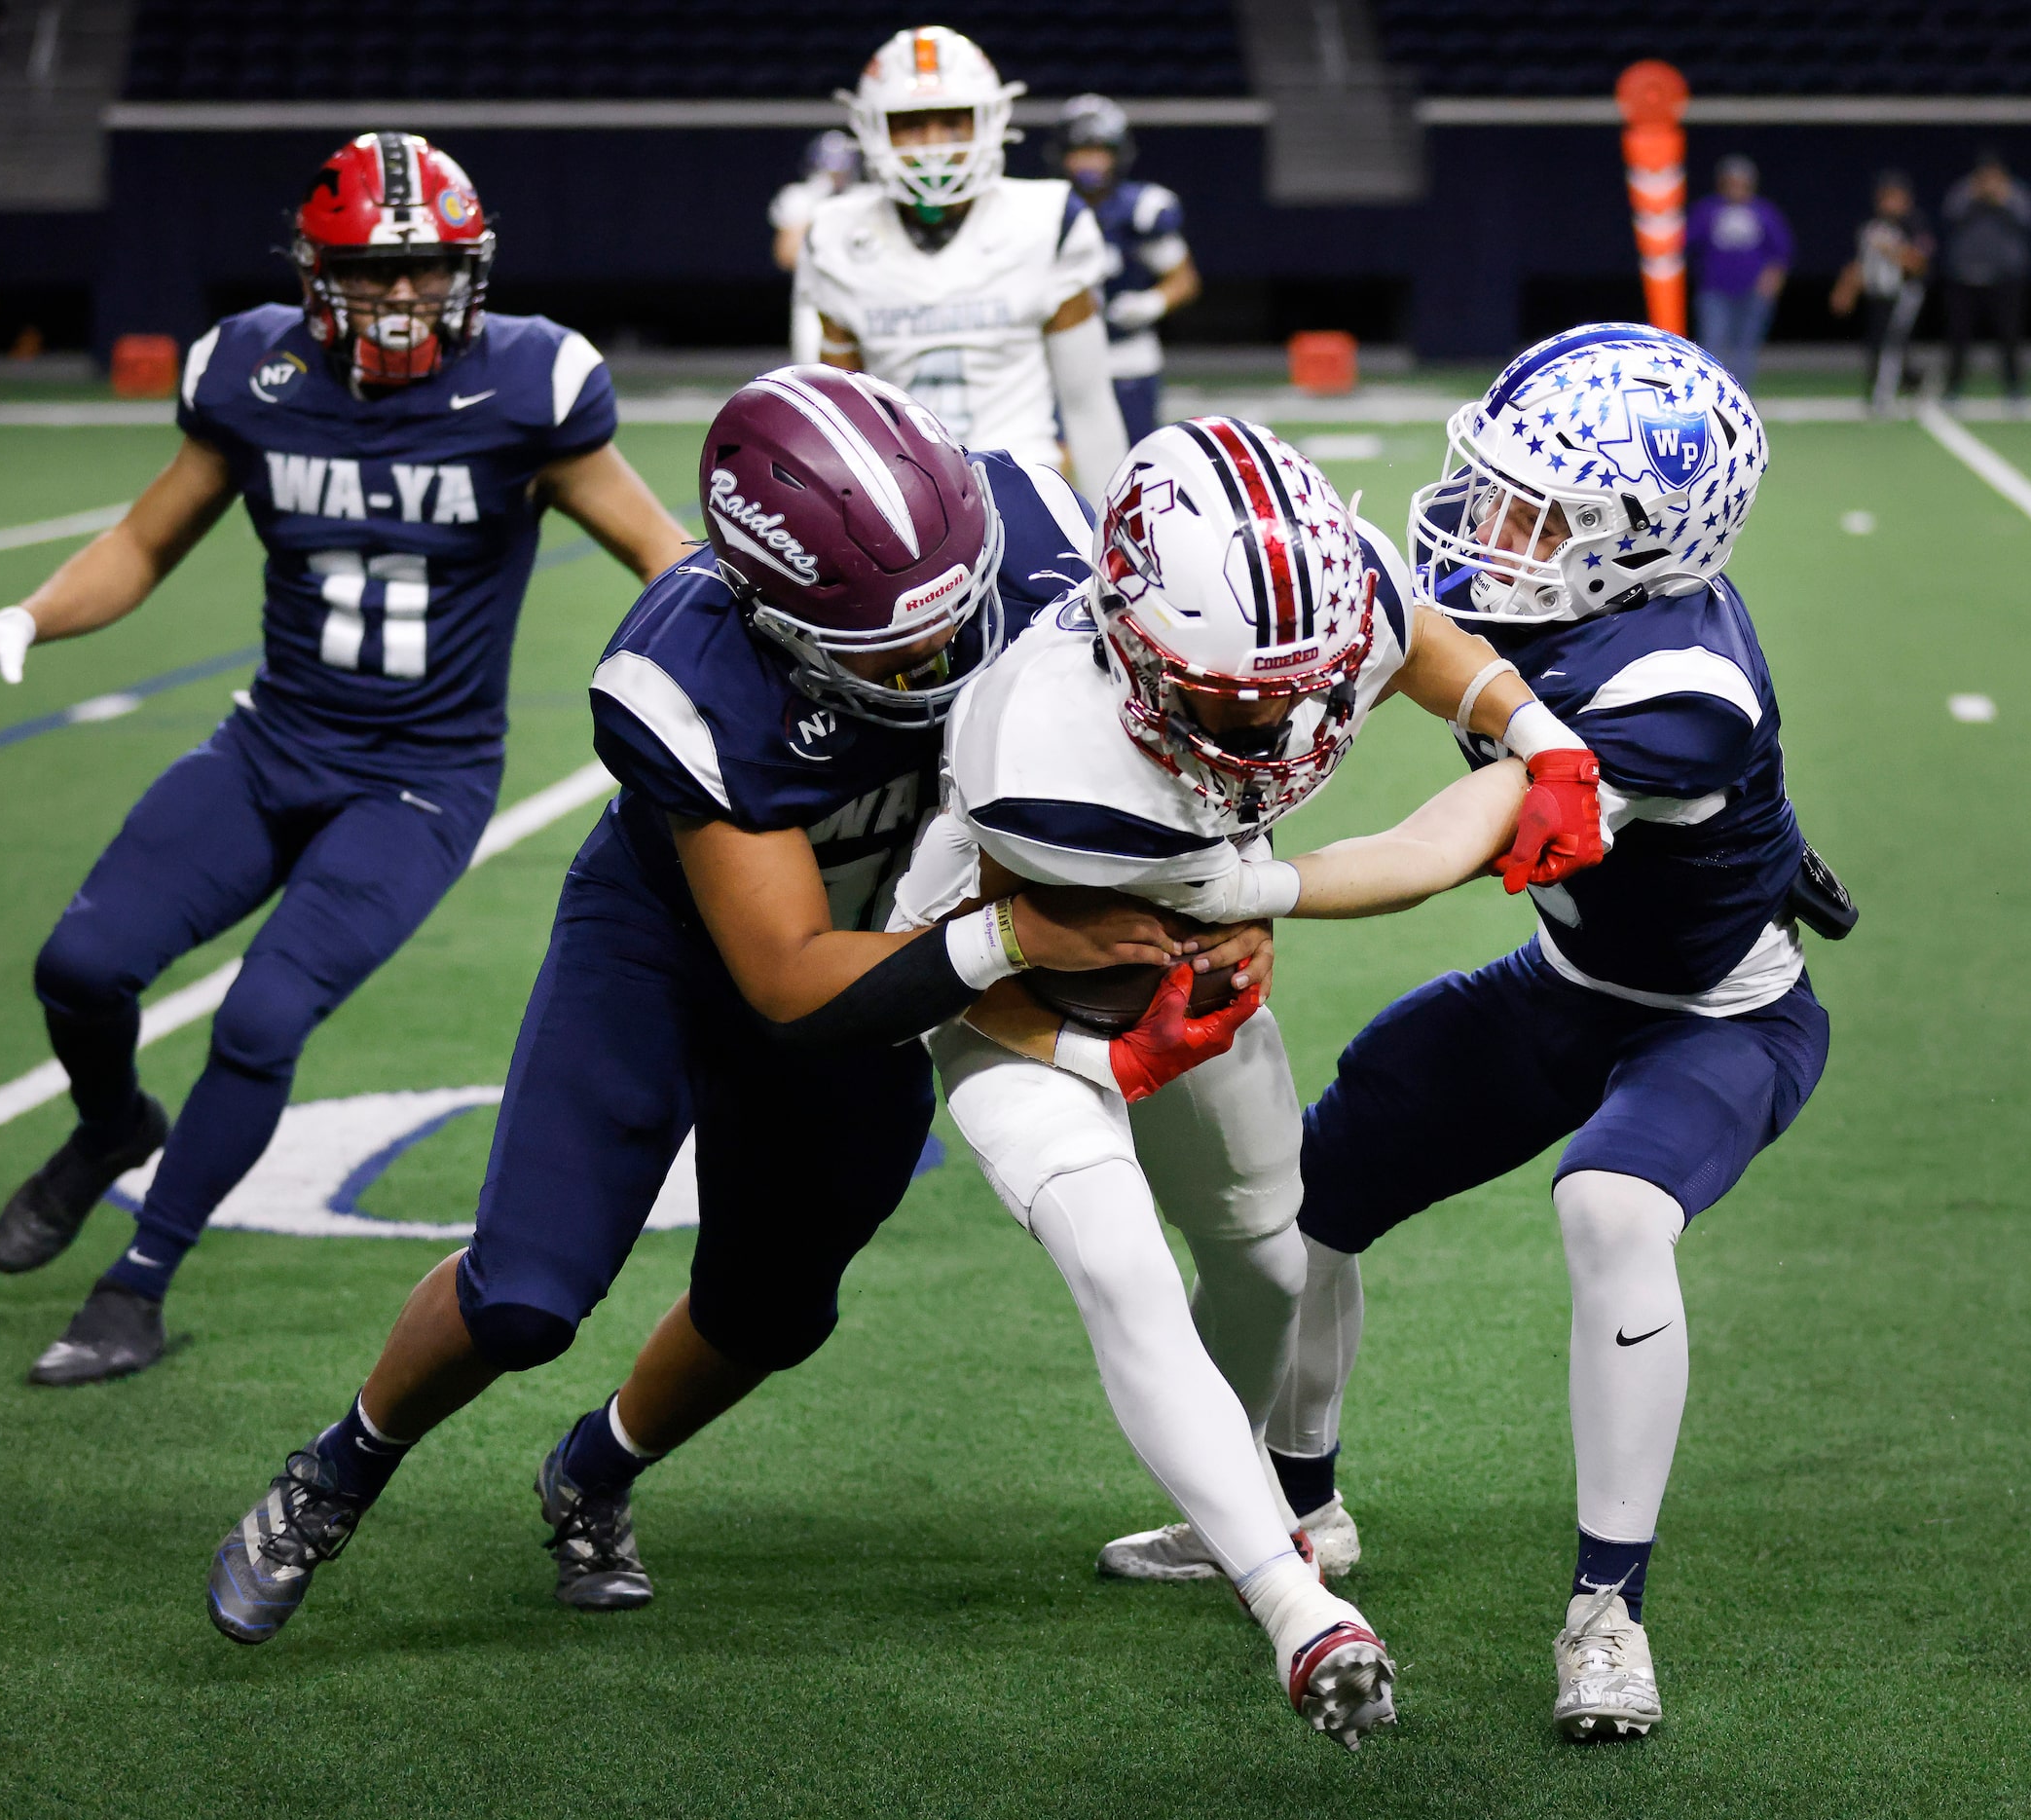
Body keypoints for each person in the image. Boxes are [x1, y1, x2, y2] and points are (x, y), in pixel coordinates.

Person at [203, 366, 1238, 1647]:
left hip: (901, 942)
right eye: (884, 644)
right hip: (685, 947)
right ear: (768, 610)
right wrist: (1019, 932)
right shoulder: (682, 671)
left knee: (772, 1309)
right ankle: (340, 1465)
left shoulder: (1035, 524)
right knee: (525, 1290)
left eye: (951, 612)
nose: (935, 654)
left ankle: (594, 1469)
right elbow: (786, 977)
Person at [1104, 323, 1841, 1745]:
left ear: (1637, 548)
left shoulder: (1672, 692)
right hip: (1569, 985)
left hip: (1719, 1015)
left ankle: (1604, 1612)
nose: (1484, 526)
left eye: (1534, 511)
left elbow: (1458, 832)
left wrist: (1259, 885)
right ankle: (1293, 1509)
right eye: (1492, 487)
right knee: (1312, 1195)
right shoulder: (1557, 597)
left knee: (1613, 1205)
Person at [890, 415, 1609, 1743]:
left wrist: (1539, 731)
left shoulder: (1328, 593)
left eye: (1302, 683)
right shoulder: (1040, 760)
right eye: (1230, 697)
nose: (1278, 717)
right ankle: (1293, 1601)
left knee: (1269, 1268)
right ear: (1128, 645)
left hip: (1185, 974)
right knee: (1123, 1264)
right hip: (1014, 1015)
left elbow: (1419, 644)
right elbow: (1369, 873)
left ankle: (1209, 1506)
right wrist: (1110, 1054)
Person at [0, 133, 691, 1386]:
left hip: (423, 776)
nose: (404, 296)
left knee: (263, 1014)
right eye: (373, 271)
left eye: (429, 270)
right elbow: (142, 542)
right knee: (78, 967)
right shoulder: (252, 370)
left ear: (471, 269)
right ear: (314, 273)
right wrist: (26, 615)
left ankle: (138, 1284)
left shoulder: (531, 388)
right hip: (271, 741)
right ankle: (112, 1122)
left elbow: (664, 558)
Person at [805, 27, 1128, 491]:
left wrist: (1107, 538)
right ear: (874, 129)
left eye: (953, 122)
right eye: (912, 124)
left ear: (989, 123)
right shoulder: (837, 233)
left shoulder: (1048, 220)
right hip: (900, 503)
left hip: (1025, 489)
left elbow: (1088, 405)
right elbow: (839, 416)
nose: (934, 145)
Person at [1052, 93, 1200, 446]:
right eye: (1080, 151)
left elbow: (1184, 279)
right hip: (1062, 352)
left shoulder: (1141, 209)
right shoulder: (1047, 208)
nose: (1089, 162)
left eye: (1098, 151)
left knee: (1137, 458)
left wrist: (1151, 303)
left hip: (1127, 354)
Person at [1827, 169, 1932, 408]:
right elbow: (1861, 263)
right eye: (1885, 196)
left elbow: (1920, 264)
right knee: (1876, 344)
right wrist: (1845, 290)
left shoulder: (1914, 225)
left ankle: (1882, 395)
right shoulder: (1871, 226)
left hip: (1904, 293)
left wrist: (1893, 250)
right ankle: (1914, 381)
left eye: (1894, 197)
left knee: (1890, 344)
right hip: (1877, 295)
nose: (1889, 203)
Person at [1941, 150, 2031, 403]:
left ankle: (2014, 388)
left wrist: (2001, 200)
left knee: (2009, 335)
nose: (1988, 178)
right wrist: (1976, 198)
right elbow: (1951, 215)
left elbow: (2028, 220)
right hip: (1965, 277)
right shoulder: (1964, 191)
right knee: (1958, 336)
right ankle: (1953, 388)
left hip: (2005, 279)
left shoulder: (2015, 193)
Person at [1685, 156, 1789, 388]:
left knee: (1746, 347)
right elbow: (1686, 242)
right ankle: (1711, 392)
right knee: (1712, 343)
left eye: (1741, 182)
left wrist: (1772, 282)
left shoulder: (1764, 212)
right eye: (1731, 182)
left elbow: (1781, 252)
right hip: (1715, 290)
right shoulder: (1707, 210)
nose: (1736, 187)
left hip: (1753, 292)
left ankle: (1740, 396)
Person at [768, 130, 864, 366]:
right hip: (814, 298)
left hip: (862, 295)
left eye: (841, 169)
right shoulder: (800, 198)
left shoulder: (867, 199)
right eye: (830, 169)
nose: (836, 176)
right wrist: (819, 210)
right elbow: (786, 256)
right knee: (813, 371)